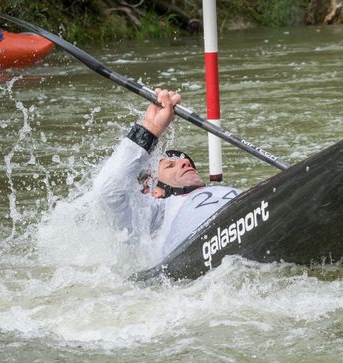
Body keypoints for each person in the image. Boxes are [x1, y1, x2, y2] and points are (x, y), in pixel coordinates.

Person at [93, 88, 239, 265]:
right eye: (170, 165)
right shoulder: (153, 215)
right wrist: (151, 127)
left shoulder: (222, 190)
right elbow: (107, 191)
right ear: (153, 191)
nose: (185, 163)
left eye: (187, 163)